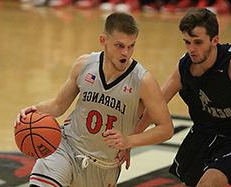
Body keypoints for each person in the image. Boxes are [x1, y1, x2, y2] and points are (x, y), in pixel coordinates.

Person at [15, 12, 173, 187]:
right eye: (119, 45)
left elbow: (166, 129)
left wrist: (129, 141)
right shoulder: (84, 64)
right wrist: (34, 110)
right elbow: (58, 105)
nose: (126, 53)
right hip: (67, 147)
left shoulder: (143, 81)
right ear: (103, 40)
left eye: (131, 46)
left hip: (104, 167)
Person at [137, 7, 231, 187]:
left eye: (198, 42)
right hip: (205, 132)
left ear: (215, 40)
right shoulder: (184, 67)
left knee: (209, 183)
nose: (191, 49)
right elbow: (157, 102)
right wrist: (131, 138)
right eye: (187, 42)